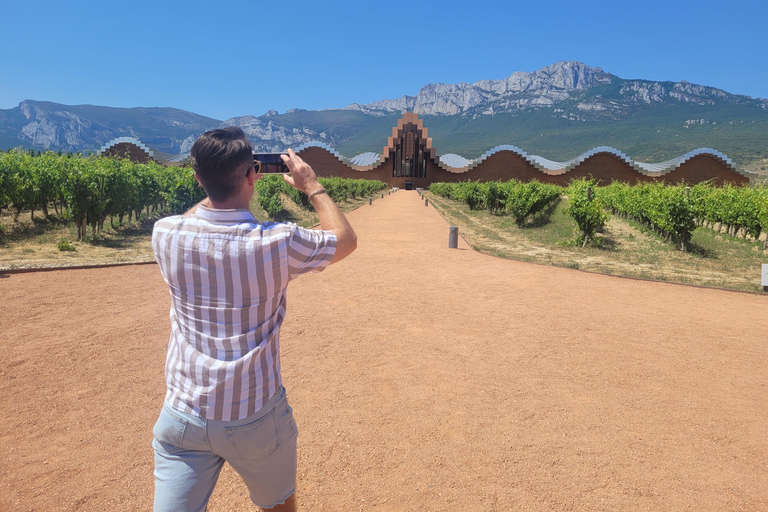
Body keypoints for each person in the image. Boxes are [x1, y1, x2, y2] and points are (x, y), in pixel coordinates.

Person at [150, 127, 356, 512]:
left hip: (183, 414)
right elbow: (344, 238)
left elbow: (198, 214)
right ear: (253, 175)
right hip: (254, 414)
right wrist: (312, 185)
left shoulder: (165, 234)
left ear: (198, 178)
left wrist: (215, 183)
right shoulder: (277, 242)